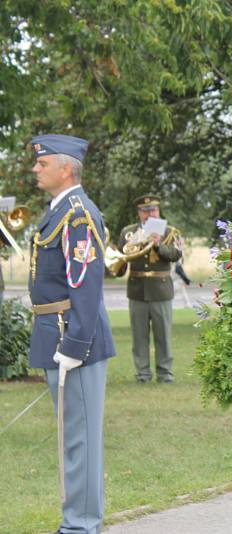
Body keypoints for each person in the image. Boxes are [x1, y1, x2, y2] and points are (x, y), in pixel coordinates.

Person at [28, 134, 116, 534]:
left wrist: (76, 344)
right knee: (72, 437)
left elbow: (85, 283)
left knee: (79, 441)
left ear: (66, 168)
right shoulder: (61, 210)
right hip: (58, 333)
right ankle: (79, 522)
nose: (35, 168)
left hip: (72, 337)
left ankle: (80, 526)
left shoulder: (77, 214)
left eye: (42, 163)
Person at [115, 194, 182, 383]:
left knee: (163, 336)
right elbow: (122, 259)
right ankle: (142, 374)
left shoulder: (169, 232)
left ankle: (165, 373)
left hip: (160, 291)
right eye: (145, 211)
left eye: (153, 210)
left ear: (158, 211)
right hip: (137, 289)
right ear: (139, 213)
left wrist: (158, 244)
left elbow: (175, 255)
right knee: (139, 337)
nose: (149, 214)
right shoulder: (129, 232)